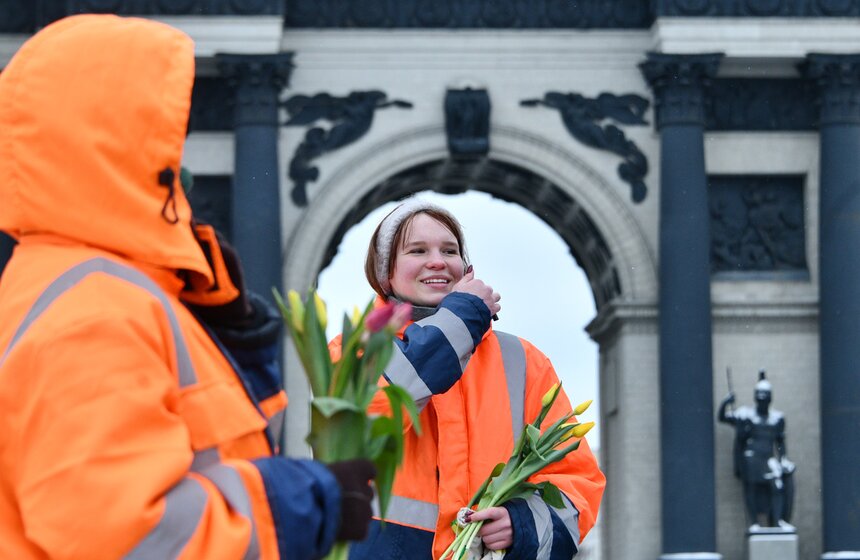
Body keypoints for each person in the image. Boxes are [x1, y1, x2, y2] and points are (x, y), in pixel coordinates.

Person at [0, 14, 375, 559]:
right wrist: (306, 502)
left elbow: (211, 447)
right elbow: (128, 537)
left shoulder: (90, 287)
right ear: (117, 142)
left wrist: (240, 347)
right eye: (168, 135)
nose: (180, 159)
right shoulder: (97, 310)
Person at [330, 199, 605, 559]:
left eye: (450, 250)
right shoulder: (352, 351)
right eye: (417, 250)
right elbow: (368, 419)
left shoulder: (523, 361)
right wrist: (460, 319)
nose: (438, 261)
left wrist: (520, 524)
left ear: (465, 267)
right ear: (385, 274)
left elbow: (577, 479)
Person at [718, 369, 795, 528]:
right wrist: (726, 402)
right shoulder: (745, 415)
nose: (762, 400)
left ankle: (778, 520)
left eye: (765, 397)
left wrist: (784, 459)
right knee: (751, 488)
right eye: (760, 397)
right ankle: (754, 522)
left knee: (778, 485)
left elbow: (780, 442)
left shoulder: (777, 418)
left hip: (768, 458)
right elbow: (722, 417)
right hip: (752, 457)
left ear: (770, 398)